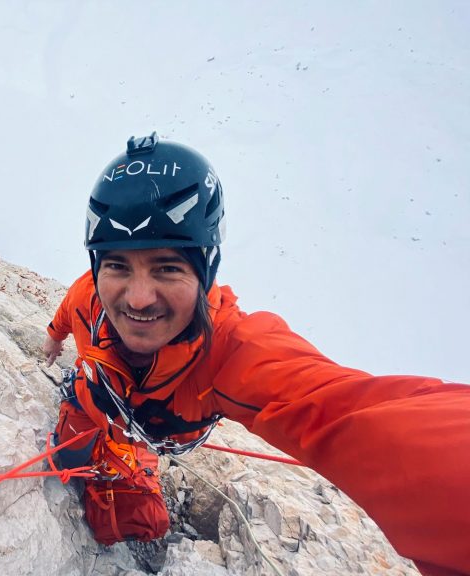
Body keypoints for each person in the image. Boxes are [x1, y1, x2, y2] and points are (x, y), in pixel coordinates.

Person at [42, 132, 470, 576]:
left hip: (147, 428)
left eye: (167, 268)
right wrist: (54, 339)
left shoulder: (235, 350)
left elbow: (359, 415)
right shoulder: (89, 295)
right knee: (66, 461)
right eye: (118, 266)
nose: (138, 297)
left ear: (205, 270)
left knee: (129, 516)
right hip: (94, 404)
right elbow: (66, 311)